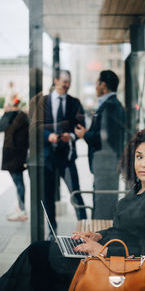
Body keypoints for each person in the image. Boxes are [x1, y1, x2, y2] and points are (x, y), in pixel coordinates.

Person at [0, 127, 145, 291]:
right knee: (38, 254)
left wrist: (103, 251)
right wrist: (97, 236)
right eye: (139, 157)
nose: (144, 163)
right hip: (111, 258)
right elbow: (121, 229)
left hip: (122, 270)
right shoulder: (140, 189)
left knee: (37, 255)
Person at [75, 70, 125, 219]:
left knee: (103, 208)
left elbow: (104, 138)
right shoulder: (113, 105)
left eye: (97, 83)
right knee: (103, 203)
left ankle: (100, 238)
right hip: (107, 165)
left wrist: (85, 134)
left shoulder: (110, 106)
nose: (96, 87)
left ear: (103, 85)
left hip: (106, 166)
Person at [43, 70, 87, 237]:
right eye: (64, 81)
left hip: (67, 157)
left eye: (69, 81)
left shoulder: (75, 102)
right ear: (55, 80)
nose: (67, 85)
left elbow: (81, 125)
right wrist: (49, 136)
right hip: (48, 156)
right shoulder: (44, 102)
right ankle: (51, 231)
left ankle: (84, 231)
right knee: (48, 197)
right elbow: (36, 127)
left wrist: (73, 136)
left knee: (76, 193)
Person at [0, 96, 29, 221]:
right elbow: (1, 126)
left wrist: (7, 113)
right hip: (13, 155)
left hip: (15, 156)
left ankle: (22, 210)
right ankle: (21, 208)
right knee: (18, 183)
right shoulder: (14, 116)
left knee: (19, 183)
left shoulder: (20, 117)